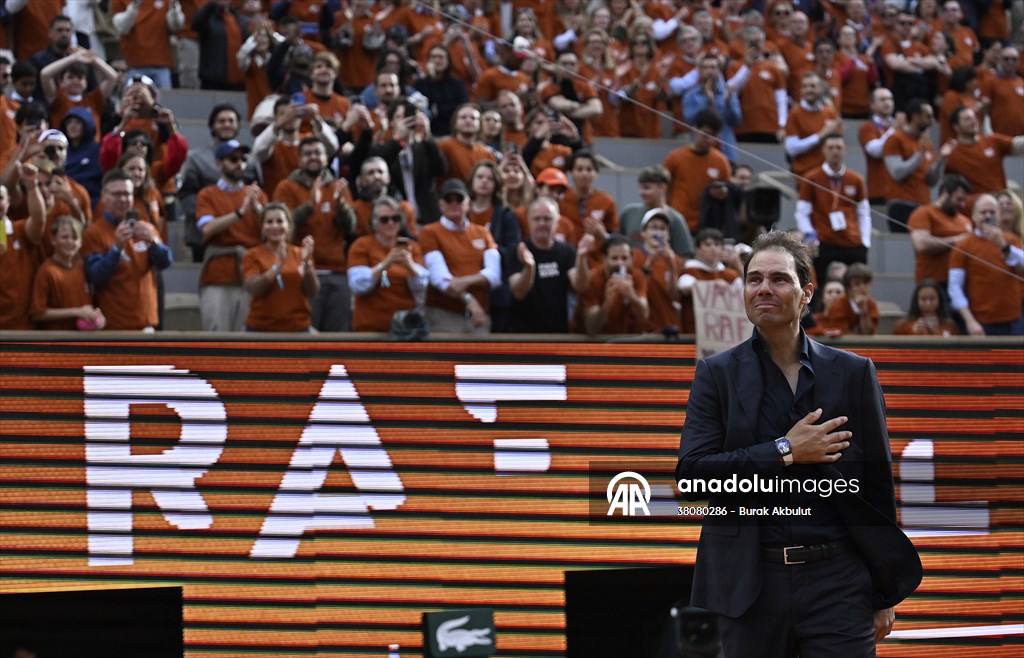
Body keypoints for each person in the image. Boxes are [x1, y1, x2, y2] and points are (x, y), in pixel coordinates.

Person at [677, 230, 922, 658]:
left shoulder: (854, 373)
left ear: (807, 292)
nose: (763, 288)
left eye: (779, 279)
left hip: (839, 582)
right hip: (750, 587)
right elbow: (693, 478)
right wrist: (784, 452)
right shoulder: (716, 374)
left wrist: (883, 592)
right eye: (754, 279)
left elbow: (877, 488)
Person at [272, 136, 356, 332]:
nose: (313, 157)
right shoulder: (286, 187)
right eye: (307, 154)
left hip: (337, 273)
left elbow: (351, 227)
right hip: (301, 272)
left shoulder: (338, 187)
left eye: (318, 153)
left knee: (338, 337)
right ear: (299, 160)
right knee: (304, 335)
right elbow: (281, 228)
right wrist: (309, 206)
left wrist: (341, 206)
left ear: (326, 158)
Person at [82, 169, 172, 331]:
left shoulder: (146, 228)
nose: (123, 199)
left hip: (146, 321)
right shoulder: (94, 233)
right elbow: (96, 277)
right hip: (112, 325)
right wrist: (116, 248)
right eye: (117, 194)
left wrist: (154, 242)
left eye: (127, 194)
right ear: (104, 196)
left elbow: (165, 262)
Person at [196, 140, 268, 332]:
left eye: (243, 159)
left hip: (252, 274)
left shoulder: (258, 195)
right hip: (219, 275)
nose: (239, 164)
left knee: (248, 336)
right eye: (233, 159)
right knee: (217, 334)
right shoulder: (207, 194)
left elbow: (271, 234)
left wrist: (258, 210)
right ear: (219, 163)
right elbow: (207, 228)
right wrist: (240, 213)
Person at [795, 133, 871, 300]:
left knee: (857, 288)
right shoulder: (812, 178)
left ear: (845, 150)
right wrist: (810, 236)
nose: (835, 151)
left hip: (853, 242)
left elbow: (864, 212)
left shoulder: (855, 179)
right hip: (825, 241)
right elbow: (802, 212)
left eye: (838, 147)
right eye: (830, 148)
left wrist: (865, 240)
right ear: (823, 150)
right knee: (822, 288)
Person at [419, 178, 501, 333]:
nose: (454, 203)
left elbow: (494, 276)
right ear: (440, 204)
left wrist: (463, 281)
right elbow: (441, 280)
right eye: (448, 199)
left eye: (459, 199)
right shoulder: (429, 232)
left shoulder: (483, 232)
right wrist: (470, 300)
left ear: (468, 203)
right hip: (444, 315)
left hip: (479, 316)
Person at [508, 196, 592, 333]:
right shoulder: (517, 251)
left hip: (557, 333)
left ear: (557, 222)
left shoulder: (567, 251)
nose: (542, 223)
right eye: (537, 219)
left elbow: (580, 285)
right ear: (529, 221)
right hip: (523, 334)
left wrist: (582, 258)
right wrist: (529, 268)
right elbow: (518, 292)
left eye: (547, 219)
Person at [347, 196, 429, 332]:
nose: (391, 223)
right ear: (374, 222)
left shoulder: (411, 247)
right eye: (384, 220)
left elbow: (421, 288)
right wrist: (385, 263)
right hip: (370, 326)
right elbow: (358, 285)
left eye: (395, 218)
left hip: (405, 328)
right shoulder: (361, 245)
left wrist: (410, 266)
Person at [948, 194, 1024, 336]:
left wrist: (1003, 244)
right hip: (982, 323)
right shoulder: (964, 245)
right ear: (974, 216)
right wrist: (970, 320)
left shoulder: (1011, 240)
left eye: (992, 212)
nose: (988, 216)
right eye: (983, 212)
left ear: (999, 215)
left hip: (1015, 321)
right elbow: (955, 286)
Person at [179, 103, 246, 261]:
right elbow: (187, 195)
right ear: (212, 126)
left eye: (231, 121)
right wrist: (211, 217)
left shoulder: (249, 159)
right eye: (221, 121)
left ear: (238, 125)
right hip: (205, 237)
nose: (227, 125)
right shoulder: (196, 158)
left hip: (243, 234)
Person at [242, 203, 319, 332]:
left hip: (297, 328)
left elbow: (312, 291)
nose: (275, 226)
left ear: (288, 226)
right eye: (269, 222)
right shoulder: (252, 255)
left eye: (280, 221)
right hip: (260, 329)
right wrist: (277, 266)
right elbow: (255, 289)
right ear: (262, 227)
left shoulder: (300, 253)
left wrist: (307, 265)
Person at [664, 109, 732, 235]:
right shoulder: (675, 158)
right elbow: (664, 190)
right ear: (695, 129)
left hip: (707, 225)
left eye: (714, 136)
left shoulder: (721, 161)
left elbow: (728, 190)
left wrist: (723, 193)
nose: (709, 140)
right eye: (706, 134)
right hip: (678, 222)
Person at [30, 215, 103, 331]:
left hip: (84, 338)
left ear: (80, 242)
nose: (70, 242)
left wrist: (97, 317)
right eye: (64, 237)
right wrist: (76, 312)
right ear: (53, 239)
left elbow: (91, 305)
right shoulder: (47, 271)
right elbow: (37, 313)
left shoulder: (83, 268)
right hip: (58, 338)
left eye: (75, 238)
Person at [942, 106, 1024, 196]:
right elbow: (937, 179)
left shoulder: (992, 141)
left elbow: (1018, 145)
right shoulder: (951, 152)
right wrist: (942, 158)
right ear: (956, 127)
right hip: (975, 202)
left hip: (1000, 198)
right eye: (967, 119)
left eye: (974, 117)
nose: (973, 121)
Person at [0, 170, 46, 331]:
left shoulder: (19, 230)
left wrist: (31, 185)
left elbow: (39, 220)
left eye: (0, 198)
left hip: (20, 329)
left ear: (8, 201)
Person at [908, 174, 972, 288]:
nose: (962, 205)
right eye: (959, 199)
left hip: (960, 283)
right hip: (933, 284)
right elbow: (921, 244)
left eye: (964, 201)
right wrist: (957, 240)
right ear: (945, 194)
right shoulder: (923, 213)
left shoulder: (965, 221)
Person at [619, 165, 695, 259]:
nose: (642, 192)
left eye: (647, 188)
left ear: (663, 188)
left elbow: (685, 255)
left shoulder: (675, 219)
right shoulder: (629, 213)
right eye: (640, 188)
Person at [581, 233, 650, 335]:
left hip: (629, 338)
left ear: (631, 259)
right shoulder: (593, 278)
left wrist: (631, 295)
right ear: (605, 259)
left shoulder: (637, 276)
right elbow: (591, 327)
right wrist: (607, 303)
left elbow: (644, 316)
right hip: (599, 339)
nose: (619, 263)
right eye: (614, 258)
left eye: (624, 258)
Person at [678, 227, 742, 334]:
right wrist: (711, 285)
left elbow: (744, 289)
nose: (713, 249)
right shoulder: (689, 271)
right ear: (698, 249)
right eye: (707, 244)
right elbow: (684, 287)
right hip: (695, 333)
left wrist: (738, 265)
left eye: (717, 244)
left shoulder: (730, 275)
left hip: (724, 333)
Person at [110, 0, 184, 89]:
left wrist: (175, 8)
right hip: (134, 64)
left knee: (164, 97)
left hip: (161, 64)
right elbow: (122, 28)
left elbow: (176, 26)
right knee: (133, 96)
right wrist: (134, 6)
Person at [883, 97, 943, 206]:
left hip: (923, 203)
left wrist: (941, 160)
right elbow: (897, 173)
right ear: (915, 117)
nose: (932, 121)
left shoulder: (927, 143)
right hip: (902, 203)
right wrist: (919, 155)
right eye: (928, 116)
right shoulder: (895, 139)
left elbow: (931, 181)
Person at [633, 209, 684, 333]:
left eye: (662, 229)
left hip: (669, 325)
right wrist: (649, 261)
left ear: (668, 235)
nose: (658, 233)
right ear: (643, 233)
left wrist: (672, 267)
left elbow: (675, 297)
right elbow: (636, 289)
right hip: (641, 327)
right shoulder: (633, 256)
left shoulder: (677, 261)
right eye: (654, 228)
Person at [683, 55, 742, 164]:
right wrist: (707, 101)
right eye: (705, 68)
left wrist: (728, 103)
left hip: (726, 152)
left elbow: (736, 122)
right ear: (700, 71)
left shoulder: (728, 93)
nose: (709, 71)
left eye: (713, 67)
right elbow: (690, 121)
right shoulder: (690, 95)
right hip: (700, 152)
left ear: (719, 70)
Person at [784, 72, 842, 180]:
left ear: (821, 89)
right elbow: (791, 148)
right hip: (805, 175)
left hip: (829, 175)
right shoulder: (794, 114)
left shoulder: (830, 112)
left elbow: (839, 143)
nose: (808, 90)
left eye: (812, 86)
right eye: (804, 86)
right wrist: (820, 135)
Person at [437, 103, 496, 189]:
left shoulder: (487, 154)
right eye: (463, 117)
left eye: (473, 118)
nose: (468, 121)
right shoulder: (444, 146)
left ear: (480, 124)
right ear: (455, 123)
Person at [858, 88, 898, 205]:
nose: (887, 103)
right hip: (878, 190)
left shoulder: (899, 127)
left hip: (899, 190)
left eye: (890, 99)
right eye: (882, 99)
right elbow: (875, 151)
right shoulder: (867, 127)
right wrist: (895, 129)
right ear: (872, 105)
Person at [823, 262, 879, 335]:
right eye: (856, 284)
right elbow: (842, 334)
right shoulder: (839, 305)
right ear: (848, 288)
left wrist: (864, 312)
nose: (862, 288)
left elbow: (869, 334)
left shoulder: (871, 304)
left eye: (865, 283)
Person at [978, 46, 1023, 136]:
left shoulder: (1021, 82)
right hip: (999, 135)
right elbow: (983, 108)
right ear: (1000, 60)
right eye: (1006, 59)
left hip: (1021, 137)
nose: (1010, 62)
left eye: (1014, 59)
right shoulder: (990, 81)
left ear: (1019, 62)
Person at [893, 279, 958, 336]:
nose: (928, 303)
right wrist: (913, 333)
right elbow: (896, 345)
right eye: (923, 299)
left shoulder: (950, 326)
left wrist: (937, 332)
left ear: (939, 300)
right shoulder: (903, 325)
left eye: (932, 299)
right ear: (916, 301)